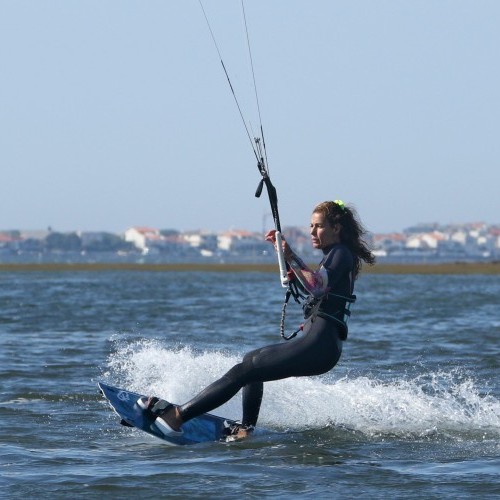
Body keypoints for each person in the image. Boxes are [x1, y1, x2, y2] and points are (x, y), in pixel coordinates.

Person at [139, 200, 375, 440]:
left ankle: (177, 416)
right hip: (320, 345)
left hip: (319, 345)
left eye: (319, 226)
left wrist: (290, 255)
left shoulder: (340, 253)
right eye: (311, 226)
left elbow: (315, 286)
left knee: (245, 370)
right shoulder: (334, 255)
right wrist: (288, 263)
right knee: (251, 360)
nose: (313, 232)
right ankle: (246, 429)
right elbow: (315, 286)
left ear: (336, 228)